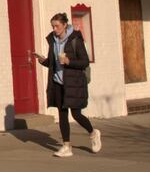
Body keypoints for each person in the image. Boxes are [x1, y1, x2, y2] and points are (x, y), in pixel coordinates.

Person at [32, 13, 101, 157]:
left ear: (64, 25)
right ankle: (66, 147)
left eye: (57, 26)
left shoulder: (75, 39)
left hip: (73, 82)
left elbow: (84, 62)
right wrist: (43, 60)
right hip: (58, 83)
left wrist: (69, 62)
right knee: (62, 115)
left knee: (76, 114)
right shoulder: (53, 41)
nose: (55, 29)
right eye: (53, 26)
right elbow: (53, 63)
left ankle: (93, 133)